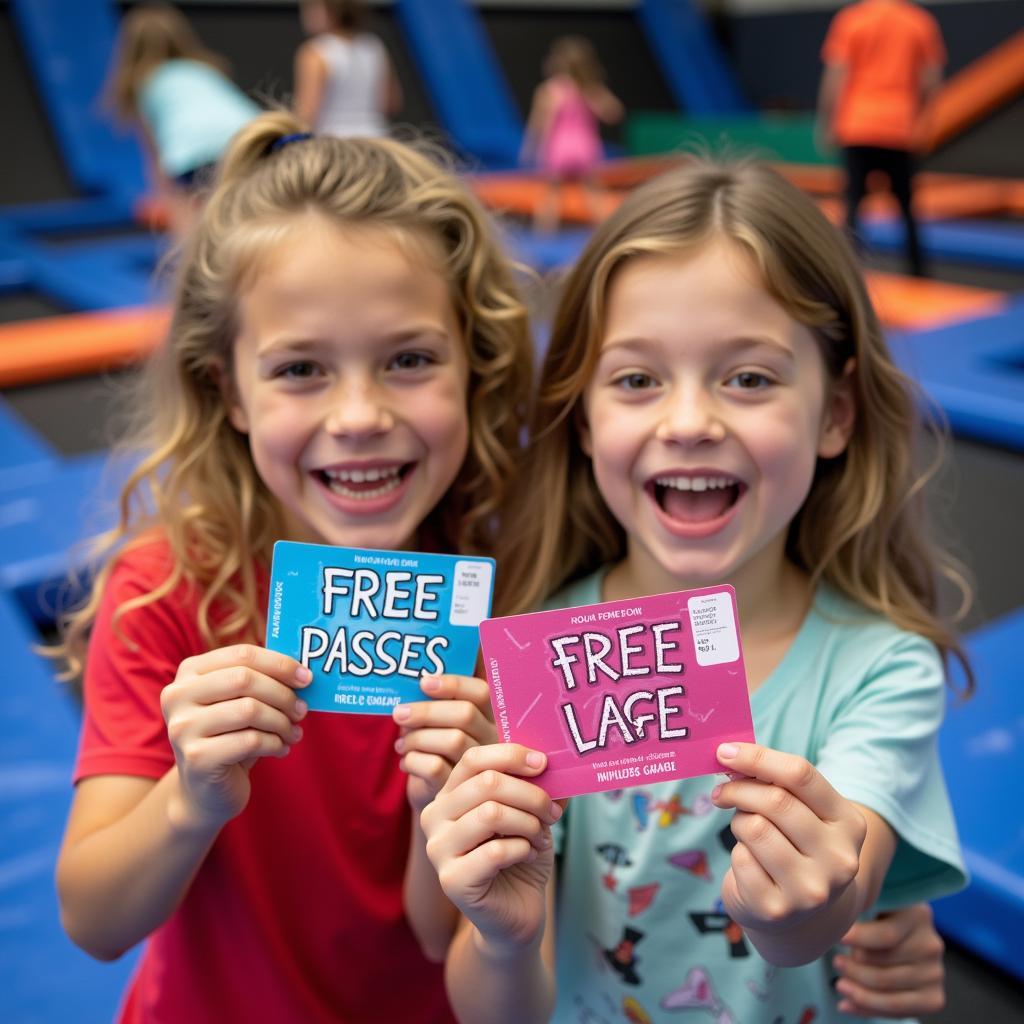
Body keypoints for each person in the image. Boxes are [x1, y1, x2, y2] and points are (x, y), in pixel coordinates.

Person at [417, 160, 970, 1023]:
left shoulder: (880, 670)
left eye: (748, 378)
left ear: (836, 412)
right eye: (637, 379)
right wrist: (506, 937)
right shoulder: (530, 653)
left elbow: (832, 901)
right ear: (586, 413)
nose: (686, 423)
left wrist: (807, 909)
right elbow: (493, 1009)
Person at [53, 110, 534, 1023]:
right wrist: (191, 800)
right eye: (301, 370)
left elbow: (458, 940)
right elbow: (94, 917)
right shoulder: (168, 589)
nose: (358, 413)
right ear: (225, 390)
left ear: (474, 367)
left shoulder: (509, 591)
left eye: (409, 360)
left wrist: (465, 812)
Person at [106, 2, 260, 237]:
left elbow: (155, 157)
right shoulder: (203, 69)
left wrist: (167, 200)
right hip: (251, 139)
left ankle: (191, 263)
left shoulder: (143, 83)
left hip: (197, 155)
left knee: (190, 220)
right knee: (250, 213)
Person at [816, 0, 946, 277]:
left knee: (853, 205)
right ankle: (918, 273)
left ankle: (848, 273)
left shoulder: (852, 19)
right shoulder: (918, 21)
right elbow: (931, 80)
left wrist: (827, 122)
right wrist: (922, 124)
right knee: (907, 208)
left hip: (857, 124)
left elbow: (836, 76)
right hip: (900, 127)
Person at [521, 36, 623, 234]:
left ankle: (543, 237)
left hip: (560, 148)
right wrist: (594, 92)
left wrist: (532, 148)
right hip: (585, 146)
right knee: (594, 192)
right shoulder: (588, 88)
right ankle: (605, 229)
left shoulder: (551, 89)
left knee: (550, 194)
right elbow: (614, 113)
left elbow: (541, 124)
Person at [293, 0, 402, 139]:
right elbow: (391, 103)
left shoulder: (315, 52)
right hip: (376, 141)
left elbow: (307, 114)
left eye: (311, 7)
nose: (305, 15)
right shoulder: (374, 46)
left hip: (334, 145)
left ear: (327, 11)